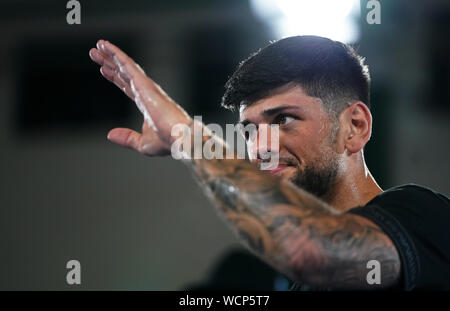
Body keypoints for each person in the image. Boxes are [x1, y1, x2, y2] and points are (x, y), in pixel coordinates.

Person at [88, 35, 450, 290]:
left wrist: (188, 137)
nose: (260, 147)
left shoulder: (421, 215)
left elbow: (310, 249)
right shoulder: (300, 283)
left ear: (355, 126)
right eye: (248, 131)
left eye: (283, 119)